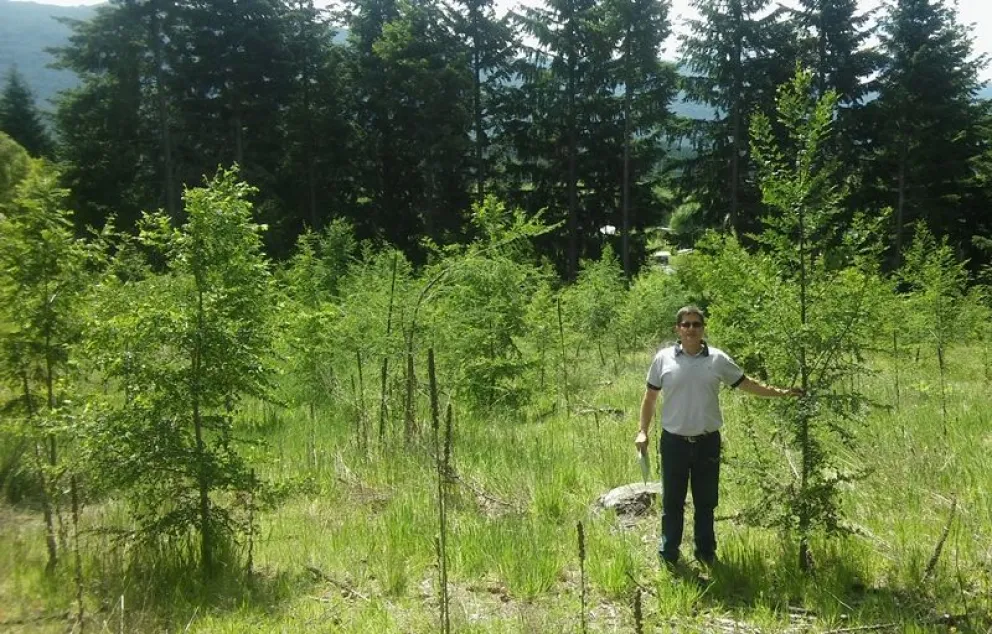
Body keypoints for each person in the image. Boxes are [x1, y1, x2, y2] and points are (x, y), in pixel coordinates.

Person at [634, 305, 802, 567]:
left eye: (696, 324)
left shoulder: (718, 360)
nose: (691, 329)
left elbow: (747, 384)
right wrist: (643, 431)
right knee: (672, 502)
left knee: (706, 501)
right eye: (686, 325)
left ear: (703, 329)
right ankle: (669, 555)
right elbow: (650, 397)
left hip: (706, 442)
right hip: (673, 442)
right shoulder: (663, 359)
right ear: (677, 329)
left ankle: (705, 554)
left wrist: (781, 392)